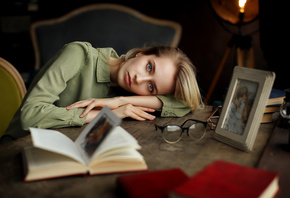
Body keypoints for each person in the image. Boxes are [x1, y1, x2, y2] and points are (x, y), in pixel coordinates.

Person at [0, 41, 203, 144]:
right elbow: (30, 116)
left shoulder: (126, 94)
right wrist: (108, 114)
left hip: (62, 155)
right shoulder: (78, 54)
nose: (139, 79)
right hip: (16, 150)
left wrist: (119, 100)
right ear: (143, 53)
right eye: (149, 67)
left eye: (151, 88)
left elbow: (186, 104)